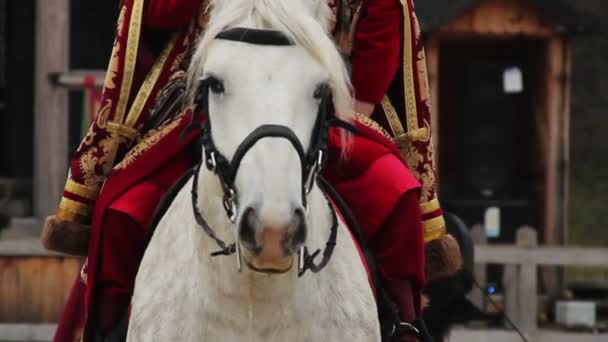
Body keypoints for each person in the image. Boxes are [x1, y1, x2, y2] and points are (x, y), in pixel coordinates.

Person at [43, 1, 460, 341]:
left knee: (398, 193)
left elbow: (384, 15)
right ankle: (105, 329)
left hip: (313, 106)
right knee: (120, 207)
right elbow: (156, 13)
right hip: (214, 104)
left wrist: (358, 102)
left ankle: (406, 326)